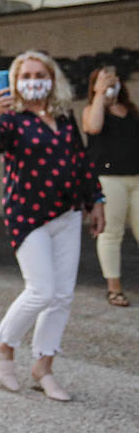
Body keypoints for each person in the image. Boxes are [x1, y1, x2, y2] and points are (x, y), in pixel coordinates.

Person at [0, 49, 105, 401]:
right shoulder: (10, 117)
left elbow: (81, 161)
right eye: (26, 76)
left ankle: (43, 367)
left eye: (40, 75)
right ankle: (3, 345)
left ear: (53, 79)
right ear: (16, 82)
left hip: (67, 214)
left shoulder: (63, 115)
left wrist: (96, 200)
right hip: (27, 214)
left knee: (62, 296)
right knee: (42, 290)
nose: (34, 81)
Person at [82, 65, 138, 307]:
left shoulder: (131, 110)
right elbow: (93, 127)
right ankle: (114, 288)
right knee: (111, 234)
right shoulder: (91, 110)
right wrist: (99, 96)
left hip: (136, 177)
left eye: (112, 80)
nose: (109, 85)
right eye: (103, 81)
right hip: (108, 179)